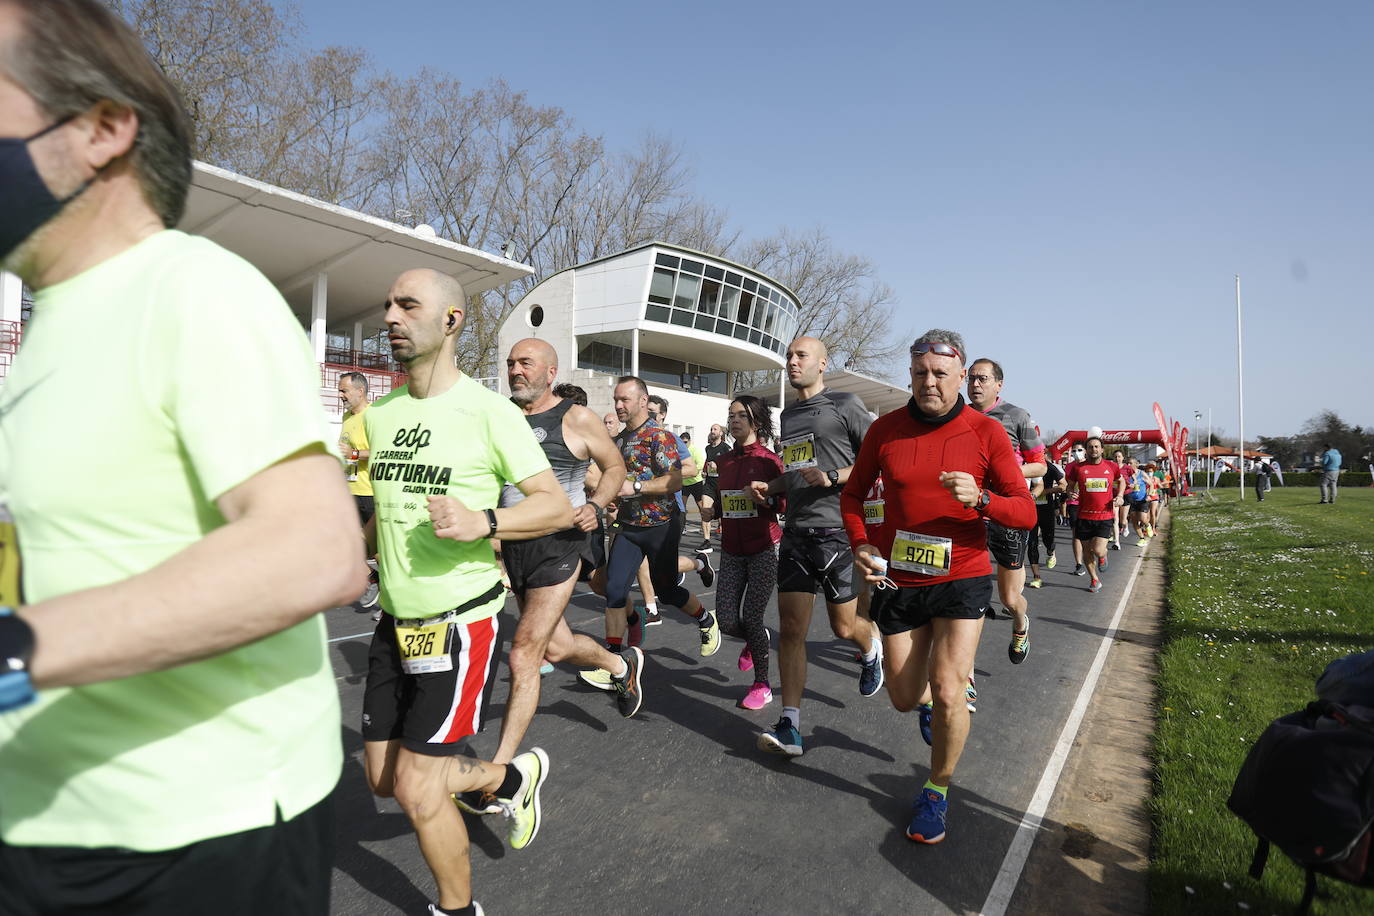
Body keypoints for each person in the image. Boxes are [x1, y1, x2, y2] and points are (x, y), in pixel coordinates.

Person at [0, 2, 365, 911]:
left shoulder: (191, 287)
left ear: (101, 128)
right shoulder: (44, 331)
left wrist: (13, 653)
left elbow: (311, 550)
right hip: (46, 815)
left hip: (195, 840)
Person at [361, 269, 573, 916]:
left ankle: (457, 910)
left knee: (421, 790)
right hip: (394, 621)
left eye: (409, 305)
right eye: (389, 303)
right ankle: (509, 776)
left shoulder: (488, 414)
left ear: (451, 321)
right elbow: (386, 508)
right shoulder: (381, 414)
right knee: (383, 781)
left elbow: (556, 504)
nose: (391, 316)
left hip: (458, 622)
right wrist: (360, 553)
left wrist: (484, 522)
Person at [842, 330, 1036, 844]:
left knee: (951, 689)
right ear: (910, 374)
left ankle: (937, 790)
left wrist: (982, 500)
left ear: (960, 375)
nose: (929, 382)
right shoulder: (886, 431)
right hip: (902, 579)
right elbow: (854, 495)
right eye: (920, 373)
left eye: (941, 374)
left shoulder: (986, 432)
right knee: (906, 698)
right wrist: (861, 543)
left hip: (963, 575)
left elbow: (1025, 509)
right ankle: (928, 702)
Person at [486, 339, 640, 774]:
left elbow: (614, 468)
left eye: (526, 364)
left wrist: (594, 506)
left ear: (550, 372)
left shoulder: (577, 418)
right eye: (511, 363)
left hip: (560, 543)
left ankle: (500, 771)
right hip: (515, 545)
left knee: (523, 655)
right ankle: (618, 663)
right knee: (557, 647)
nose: (516, 370)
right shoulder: (502, 417)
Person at [751, 336, 882, 758]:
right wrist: (769, 487)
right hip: (796, 534)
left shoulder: (845, 404)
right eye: (789, 355)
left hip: (837, 532)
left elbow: (875, 460)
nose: (791, 361)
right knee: (791, 629)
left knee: (844, 627)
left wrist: (833, 477)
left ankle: (871, 646)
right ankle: (791, 723)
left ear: (822, 363)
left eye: (800, 355)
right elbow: (796, 472)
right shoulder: (788, 415)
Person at [601, 377, 719, 657]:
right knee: (615, 589)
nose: (618, 405)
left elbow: (676, 479)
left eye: (624, 400)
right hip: (628, 525)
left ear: (642, 401)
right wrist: (614, 496)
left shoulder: (659, 436)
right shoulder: (621, 439)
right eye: (616, 400)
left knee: (666, 592)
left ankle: (705, 619)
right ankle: (614, 661)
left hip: (660, 525)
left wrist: (636, 487)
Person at [702, 396, 784, 709]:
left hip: (764, 548)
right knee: (725, 620)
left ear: (757, 422)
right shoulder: (724, 461)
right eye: (731, 415)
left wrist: (766, 500)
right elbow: (725, 499)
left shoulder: (768, 461)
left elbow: (783, 505)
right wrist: (712, 509)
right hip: (732, 551)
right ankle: (755, 637)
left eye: (741, 416)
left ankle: (762, 685)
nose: (734, 420)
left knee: (752, 615)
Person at [966, 358, 1044, 665]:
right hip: (969, 513)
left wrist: (1009, 469)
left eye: (982, 379)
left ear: (999, 384)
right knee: (967, 598)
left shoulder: (1016, 416)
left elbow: (1041, 464)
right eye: (971, 378)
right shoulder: (956, 416)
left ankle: (1021, 624)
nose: (975, 384)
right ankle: (964, 676)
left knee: (1009, 599)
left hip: (1007, 512)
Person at [340, 371, 381, 610]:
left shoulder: (374, 416)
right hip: (350, 491)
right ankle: (372, 578)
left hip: (370, 492)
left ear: (360, 391)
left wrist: (354, 454)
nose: (341, 394)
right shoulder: (347, 416)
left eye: (344, 390)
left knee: (377, 551)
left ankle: (390, 603)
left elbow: (381, 452)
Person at [1066, 437, 1125, 594]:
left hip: (1104, 516)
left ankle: (1102, 556)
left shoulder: (1111, 466)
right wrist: (1070, 494)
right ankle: (1094, 579)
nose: (1094, 449)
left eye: (1097, 447)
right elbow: (1069, 486)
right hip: (1084, 517)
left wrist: (1120, 496)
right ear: (1087, 450)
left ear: (1102, 449)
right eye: (1090, 447)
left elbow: (1122, 481)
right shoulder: (1078, 468)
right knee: (1086, 551)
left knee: (1098, 550)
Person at [1025, 458, 1064, 589]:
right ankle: (1037, 577)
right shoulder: (1022, 465)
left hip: (1046, 509)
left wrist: (1043, 491)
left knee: (1048, 540)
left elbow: (1063, 486)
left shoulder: (1049, 467)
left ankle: (1051, 551)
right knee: (1031, 543)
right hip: (1029, 510)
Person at [702, 423, 730, 542]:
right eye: (711, 429)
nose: (712, 431)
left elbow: (731, 467)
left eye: (715, 429)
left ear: (720, 433)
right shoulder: (708, 448)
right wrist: (705, 471)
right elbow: (707, 462)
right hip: (709, 483)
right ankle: (706, 541)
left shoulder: (726, 448)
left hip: (722, 483)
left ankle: (725, 533)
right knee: (705, 510)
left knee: (724, 512)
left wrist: (718, 466)